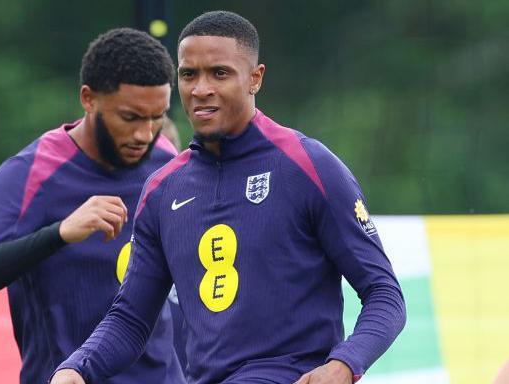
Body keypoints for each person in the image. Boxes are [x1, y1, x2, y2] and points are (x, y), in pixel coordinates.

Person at [51, 10, 406, 384]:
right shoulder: (162, 189)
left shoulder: (308, 165)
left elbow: (385, 294)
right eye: (189, 74)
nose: (201, 88)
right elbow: (131, 318)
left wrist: (344, 364)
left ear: (255, 78)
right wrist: (77, 368)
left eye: (219, 73)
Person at [0, 28, 186, 384]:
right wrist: (59, 234)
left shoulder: (165, 159)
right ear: (88, 99)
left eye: (157, 118)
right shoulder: (32, 173)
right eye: (130, 118)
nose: (145, 135)